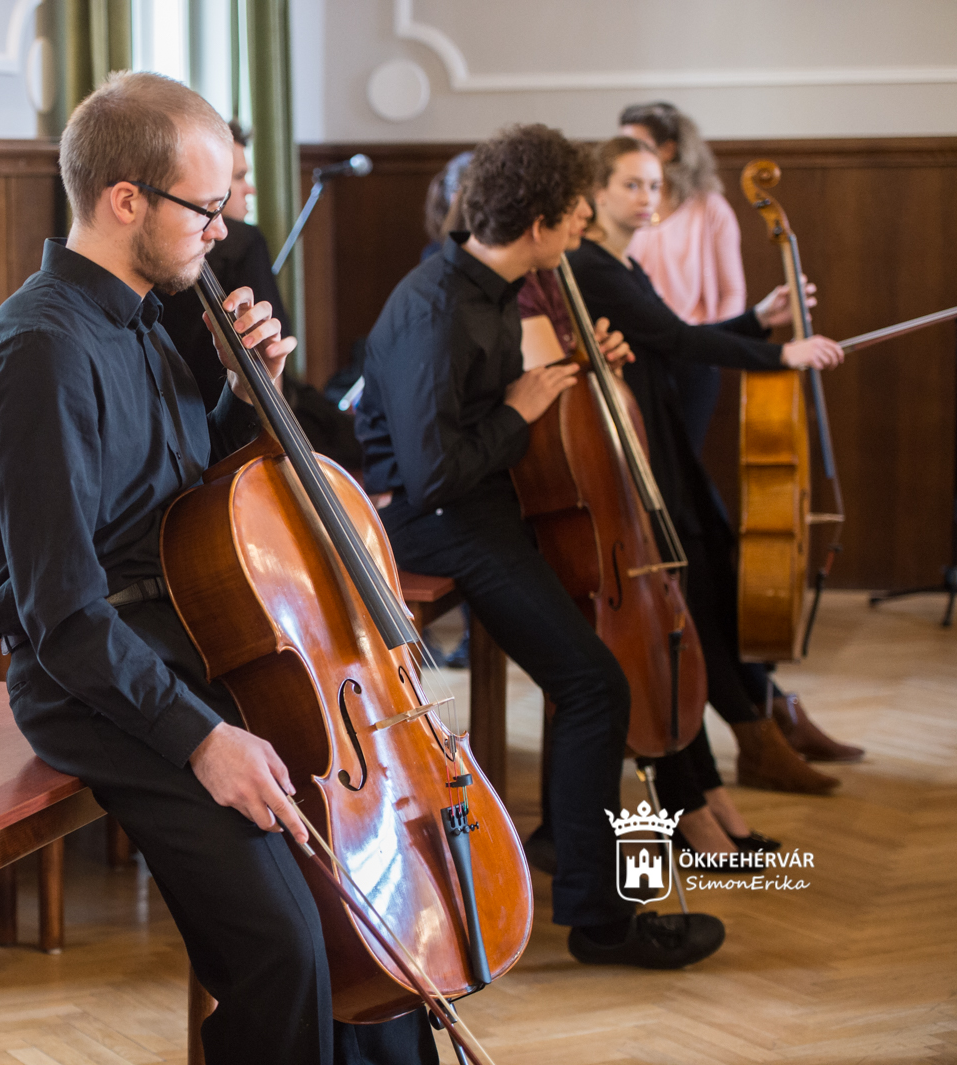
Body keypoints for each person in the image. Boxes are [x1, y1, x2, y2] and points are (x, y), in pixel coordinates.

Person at [0, 72, 437, 1063]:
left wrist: (239, 392)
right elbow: (61, 612)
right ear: (125, 199)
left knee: (359, 915)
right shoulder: (40, 350)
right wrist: (203, 740)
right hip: (95, 681)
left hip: (184, 643)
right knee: (281, 951)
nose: (221, 231)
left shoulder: (148, 319)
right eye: (205, 208)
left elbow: (175, 503)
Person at [356, 122, 725, 969]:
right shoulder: (438, 307)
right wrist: (524, 408)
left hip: (494, 506)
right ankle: (598, 917)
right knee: (595, 682)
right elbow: (437, 474)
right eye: (576, 219)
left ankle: (575, 851)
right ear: (539, 226)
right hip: (441, 519)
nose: (583, 231)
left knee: (592, 676)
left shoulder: (495, 285)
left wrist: (576, 379)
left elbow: (503, 421)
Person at [569, 136, 856, 798]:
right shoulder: (594, 266)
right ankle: (752, 741)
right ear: (598, 193)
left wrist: (757, 322)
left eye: (654, 186)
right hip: (640, 454)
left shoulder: (622, 265)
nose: (647, 199)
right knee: (695, 603)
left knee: (712, 593)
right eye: (632, 186)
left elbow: (670, 344)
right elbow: (675, 338)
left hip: (662, 440)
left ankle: (763, 731)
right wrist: (781, 354)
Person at [518, 247, 781, 857]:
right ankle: (686, 811)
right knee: (619, 670)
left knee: (665, 647)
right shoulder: (526, 290)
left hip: (596, 521)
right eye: (569, 217)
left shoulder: (559, 283)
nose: (576, 233)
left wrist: (593, 361)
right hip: (530, 515)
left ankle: (705, 794)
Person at [157, 121, 361, 469]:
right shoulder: (243, 241)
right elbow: (274, 382)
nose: (248, 189)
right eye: (237, 178)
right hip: (232, 424)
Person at [616, 103, 745, 455]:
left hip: (692, 356)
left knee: (683, 460)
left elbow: (732, 291)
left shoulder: (710, 208)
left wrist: (712, 346)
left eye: (637, 143)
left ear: (669, 149)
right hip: (633, 356)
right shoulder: (622, 206)